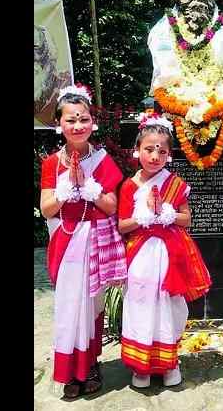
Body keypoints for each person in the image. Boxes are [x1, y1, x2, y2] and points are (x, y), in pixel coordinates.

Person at [38, 84, 127, 398]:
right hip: (65, 242)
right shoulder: (52, 163)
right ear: (59, 124)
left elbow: (112, 206)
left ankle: (89, 365)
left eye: (83, 119)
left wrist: (87, 184)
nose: (78, 126)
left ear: (93, 121)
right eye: (70, 120)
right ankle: (68, 371)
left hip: (95, 243)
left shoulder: (102, 162)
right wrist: (67, 187)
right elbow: (46, 207)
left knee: (91, 305)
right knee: (68, 306)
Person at [117, 112, 212, 388]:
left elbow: (187, 219)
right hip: (141, 258)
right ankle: (141, 367)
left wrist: (168, 214)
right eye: (149, 149)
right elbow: (123, 226)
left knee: (170, 307)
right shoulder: (129, 186)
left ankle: (169, 362)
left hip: (170, 257)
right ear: (137, 151)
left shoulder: (175, 185)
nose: (155, 156)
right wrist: (143, 218)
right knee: (141, 305)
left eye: (162, 151)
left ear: (169, 154)